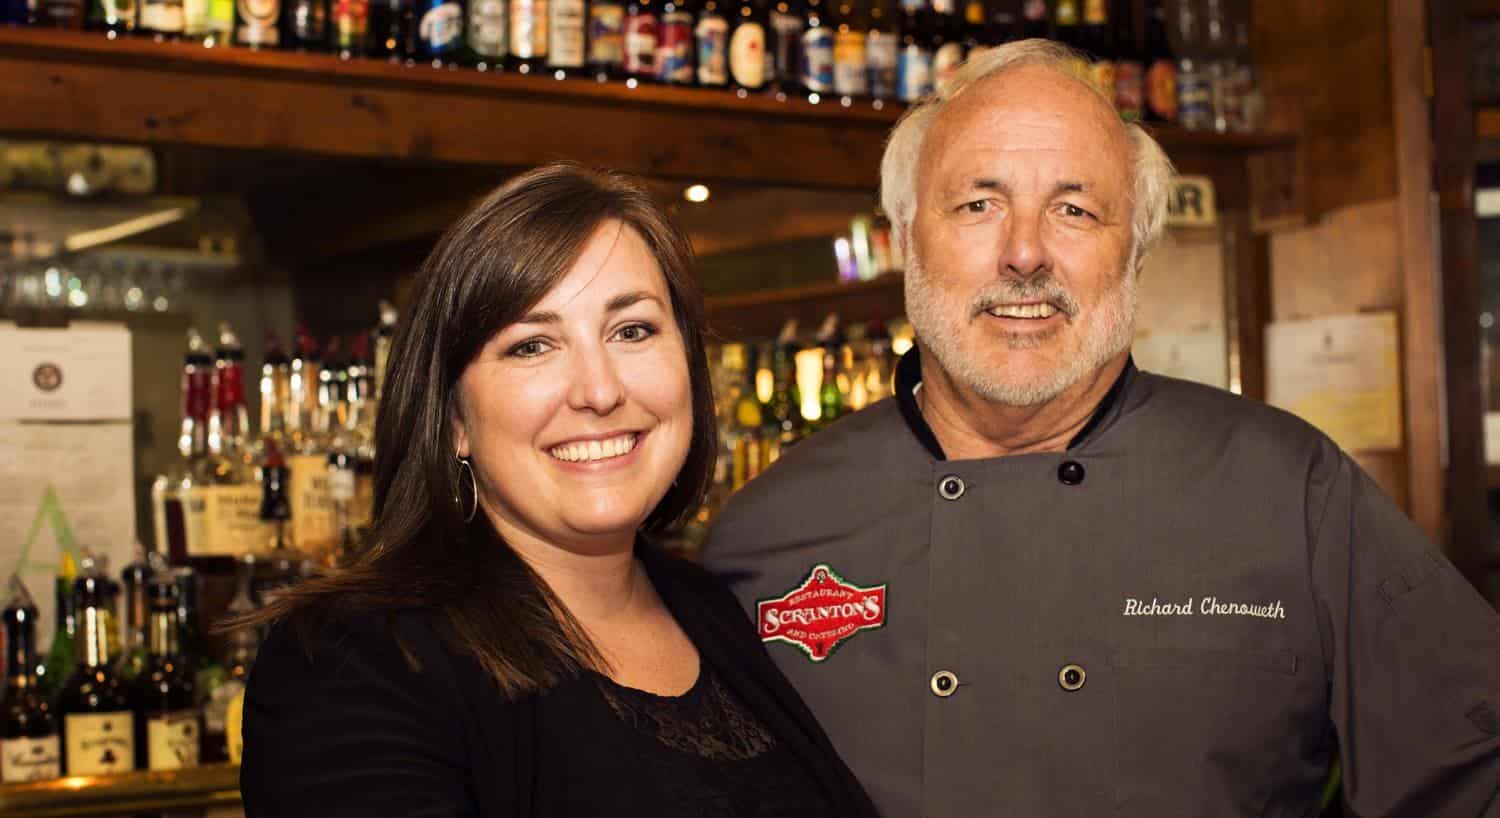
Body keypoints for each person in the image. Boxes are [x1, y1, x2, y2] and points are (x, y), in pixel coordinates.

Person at [703, 38, 1500, 818]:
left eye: (1075, 209)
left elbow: (1473, 768)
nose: (1024, 254)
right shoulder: (768, 533)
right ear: (907, 237)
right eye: (978, 204)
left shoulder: (1287, 489)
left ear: (1136, 254)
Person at [239, 163, 878, 818]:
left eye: (632, 331)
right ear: (454, 418)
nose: (598, 391)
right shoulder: (357, 660)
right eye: (533, 346)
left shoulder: (711, 606)